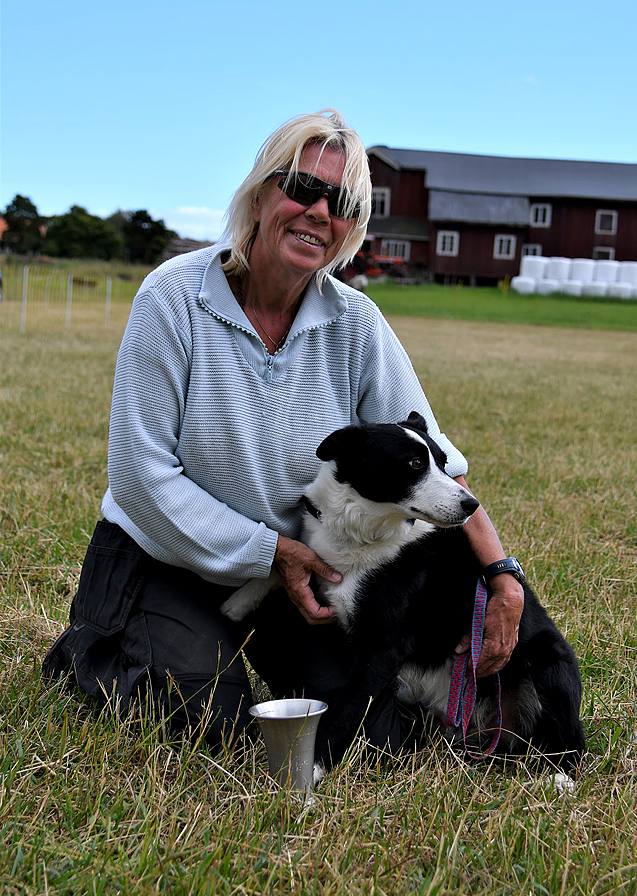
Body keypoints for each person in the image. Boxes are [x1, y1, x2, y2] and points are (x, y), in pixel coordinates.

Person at [42, 109, 523, 756]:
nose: (319, 211)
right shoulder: (173, 298)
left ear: (353, 225)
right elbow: (139, 480)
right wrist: (273, 551)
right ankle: (91, 647)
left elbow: (438, 465)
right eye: (302, 188)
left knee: (367, 733)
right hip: (162, 556)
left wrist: (500, 577)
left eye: (342, 201)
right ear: (261, 194)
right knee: (210, 719)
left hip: (287, 576)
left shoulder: (356, 322)